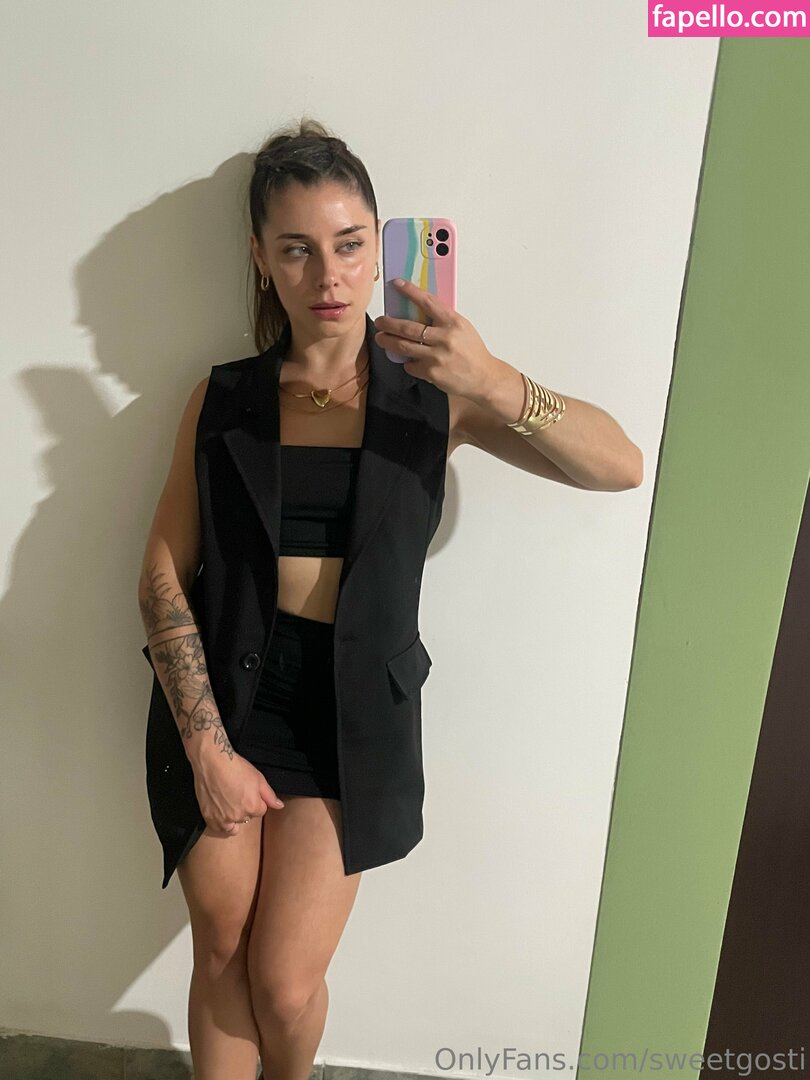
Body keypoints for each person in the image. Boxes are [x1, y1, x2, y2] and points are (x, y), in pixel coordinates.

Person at [137, 116, 643, 1080]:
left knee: (286, 983)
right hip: (224, 694)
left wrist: (494, 379)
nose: (327, 274)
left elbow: (619, 465)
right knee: (222, 946)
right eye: (296, 248)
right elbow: (164, 574)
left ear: (380, 250)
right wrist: (205, 746)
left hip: (351, 711)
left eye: (349, 244)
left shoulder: (434, 392)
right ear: (261, 260)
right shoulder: (223, 398)